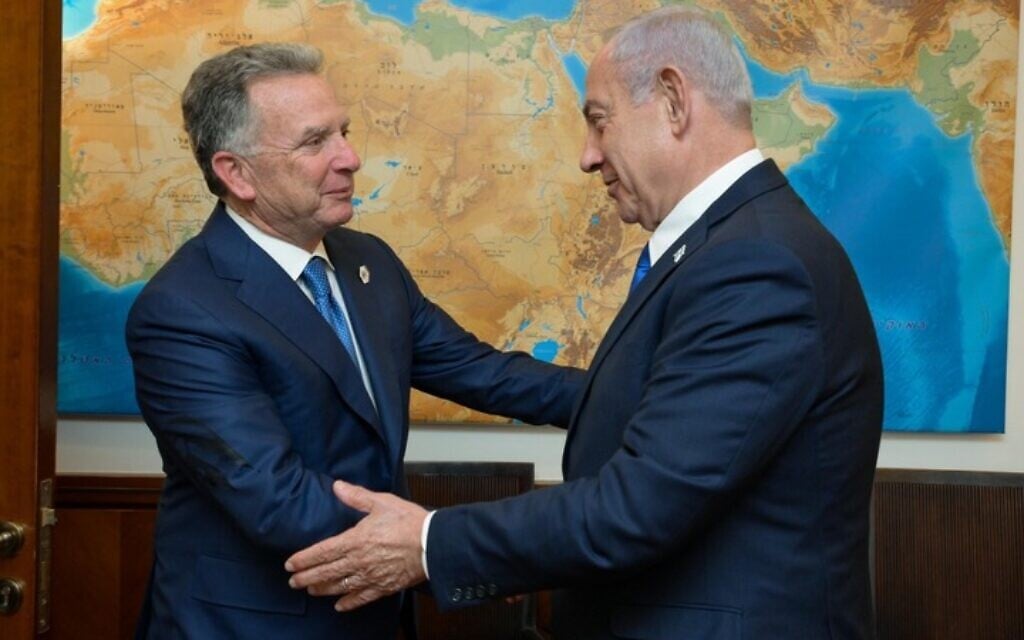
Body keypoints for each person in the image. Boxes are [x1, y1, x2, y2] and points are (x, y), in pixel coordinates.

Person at [286, 6, 884, 639]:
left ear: (675, 102)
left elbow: (638, 508)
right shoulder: (726, 245)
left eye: (599, 122)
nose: (587, 156)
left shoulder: (755, 264)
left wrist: (429, 541)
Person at [126, 43, 583, 639]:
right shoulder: (183, 311)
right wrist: (445, 545)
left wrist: (647, 392)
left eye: (343, 132)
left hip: (375, 613)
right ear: (236, 173)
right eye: (315, 142)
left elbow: (487, 373)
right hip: (252, 625)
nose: (351, 158)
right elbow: (276, 498)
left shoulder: (369, 264)